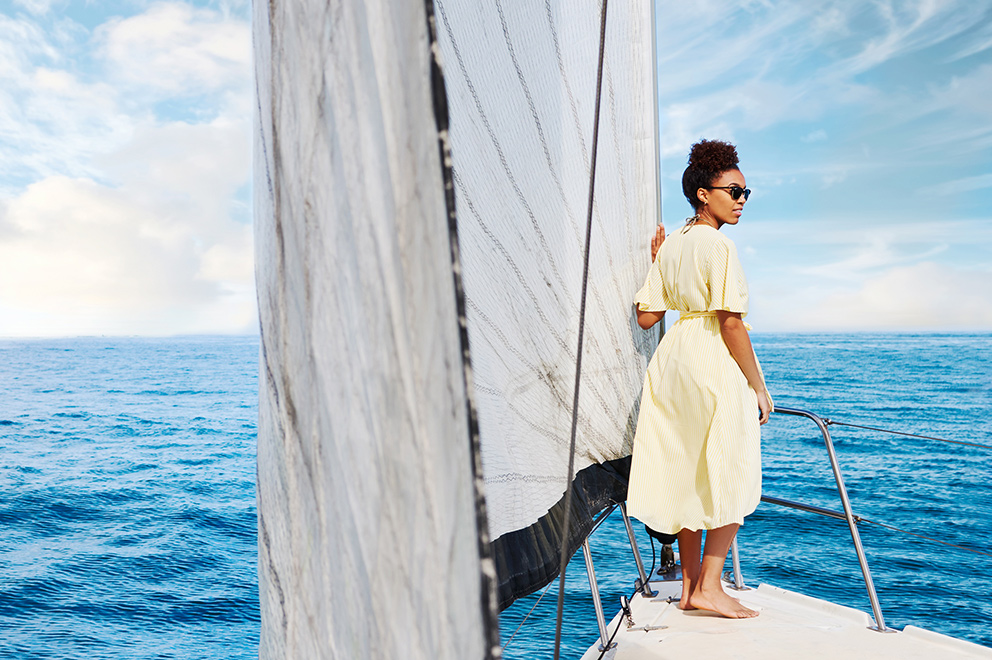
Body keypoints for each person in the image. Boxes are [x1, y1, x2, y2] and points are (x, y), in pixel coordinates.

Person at [628, 139, 772, 619]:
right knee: (733, 468)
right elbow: (730, 321)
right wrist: (758, 385)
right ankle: (710, 585)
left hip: (674, 363)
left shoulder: (673, 245)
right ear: (703, 194)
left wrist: (660, 266)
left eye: (746, 192)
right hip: (711, 358)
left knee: (689, 469)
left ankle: (690, 589)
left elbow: (648, 317)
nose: (741, 200)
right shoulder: (719, 245)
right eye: (733, 191)